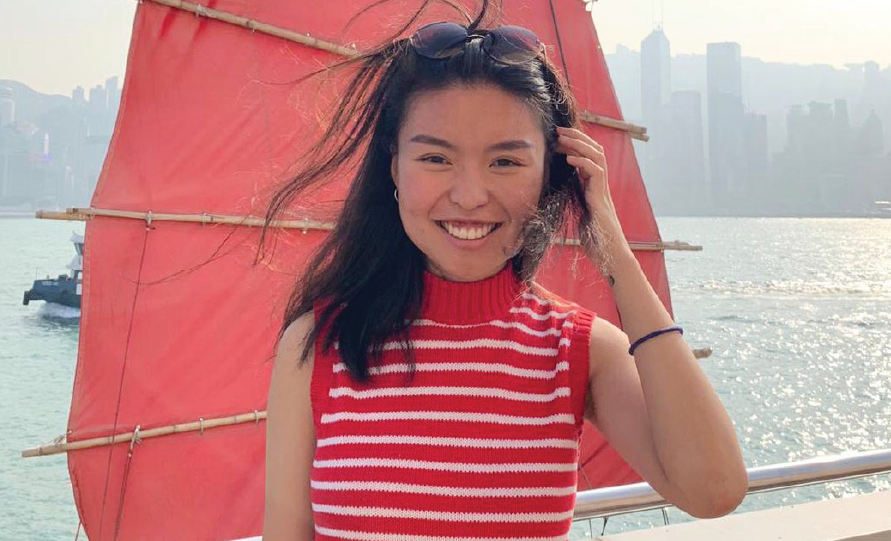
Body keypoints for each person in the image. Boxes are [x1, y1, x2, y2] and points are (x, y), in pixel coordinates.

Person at [261, 2, 747, 539]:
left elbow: (714, 489)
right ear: (392, 166)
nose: (470, 196)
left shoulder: (576, 351)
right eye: (435, 159)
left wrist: (612, 246)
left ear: (550, 178)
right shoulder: (318, 346)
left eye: (506, 162)